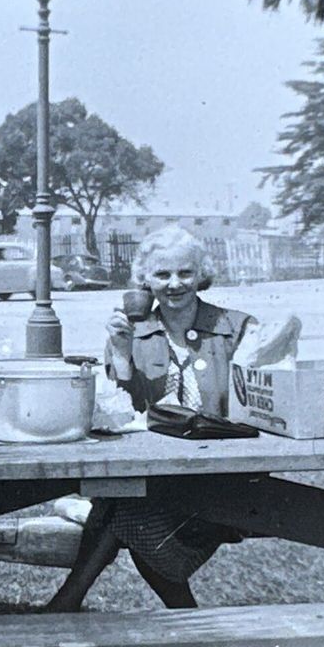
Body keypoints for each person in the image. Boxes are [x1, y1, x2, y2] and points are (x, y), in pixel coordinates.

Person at [46, 226, 255, 612]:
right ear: (145, 280)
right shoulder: (133, 332)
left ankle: (65, 603)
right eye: (162, 275)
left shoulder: (236, 328)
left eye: (185, 273)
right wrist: (122, 354)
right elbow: (119, 418)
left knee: (120, 509)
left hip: (223, 479)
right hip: (160, 477)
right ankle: (182, 615)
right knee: (127, 507)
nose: (174, 284)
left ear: (200, 274)